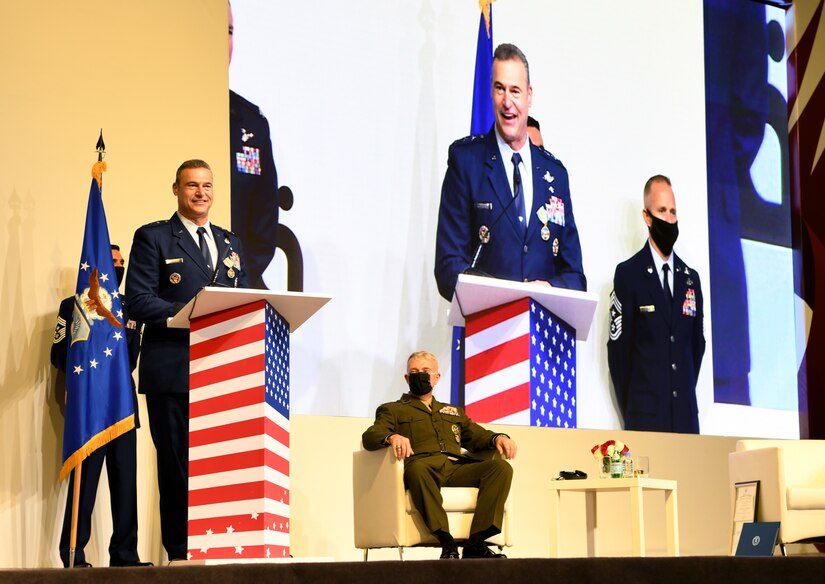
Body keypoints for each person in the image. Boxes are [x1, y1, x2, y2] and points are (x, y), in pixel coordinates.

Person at [125, 159, 249, 560]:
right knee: (178, 467)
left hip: (221, 371)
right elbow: (139, 300)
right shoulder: (154, 237)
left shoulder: (230, 243)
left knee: (220, 465)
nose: (201, 193)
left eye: (207, 186)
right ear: (176, 189)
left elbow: (240, 299)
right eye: (192, 185)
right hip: (172, 370)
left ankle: (221, 545)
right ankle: (182, 553)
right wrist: (186, 315)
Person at [434, 43, 586, 301]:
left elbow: (575, 276)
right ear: (491, 93)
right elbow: (448, 267)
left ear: (529, 95)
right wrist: (503, 296)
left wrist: (549, 290)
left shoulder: (555, 175)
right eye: (499, 89)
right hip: (487, 331)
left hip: (540, 332)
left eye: (515, 91)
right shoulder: (466, 162)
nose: (507, 102)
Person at [50, 245, 151, 568]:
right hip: (89, 408)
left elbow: (131, 358)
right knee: (85, 484)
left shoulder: (130, 310)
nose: (118, 267)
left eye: (121, 263)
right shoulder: (72, 307)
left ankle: (124, 555)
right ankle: (73, 553)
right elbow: (58, 353)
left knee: (126, 486)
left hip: (122, 404)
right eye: (113, 262)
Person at [362, 351, 517, 559]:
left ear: (436, 377)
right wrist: (392, 437)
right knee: (417, 468)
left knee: (501, 468)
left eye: (426, 371)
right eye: (414, 372)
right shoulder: (393, 410)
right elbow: (371, 436)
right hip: (423, 468)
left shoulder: (452, 411)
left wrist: (498, 437)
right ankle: (446, 540)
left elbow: (476, 435)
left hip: (455, 467)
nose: (420, 376)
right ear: (407, 379)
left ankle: (477, 542)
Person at [607, 175, 705, 433]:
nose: (669, 219)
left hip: (685, 421)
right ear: (647, 216)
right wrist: (637, 404)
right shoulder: (629, 274)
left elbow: (696, 347)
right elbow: (619, 353)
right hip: (645, 420)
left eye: (673, 211)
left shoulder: (690, 279)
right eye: (661, 210)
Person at [229, 1, 279, 289]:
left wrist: (239, 276)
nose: (225, 42)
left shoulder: (250, 122)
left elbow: (264, 218)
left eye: (230, 31)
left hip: (241, 285)